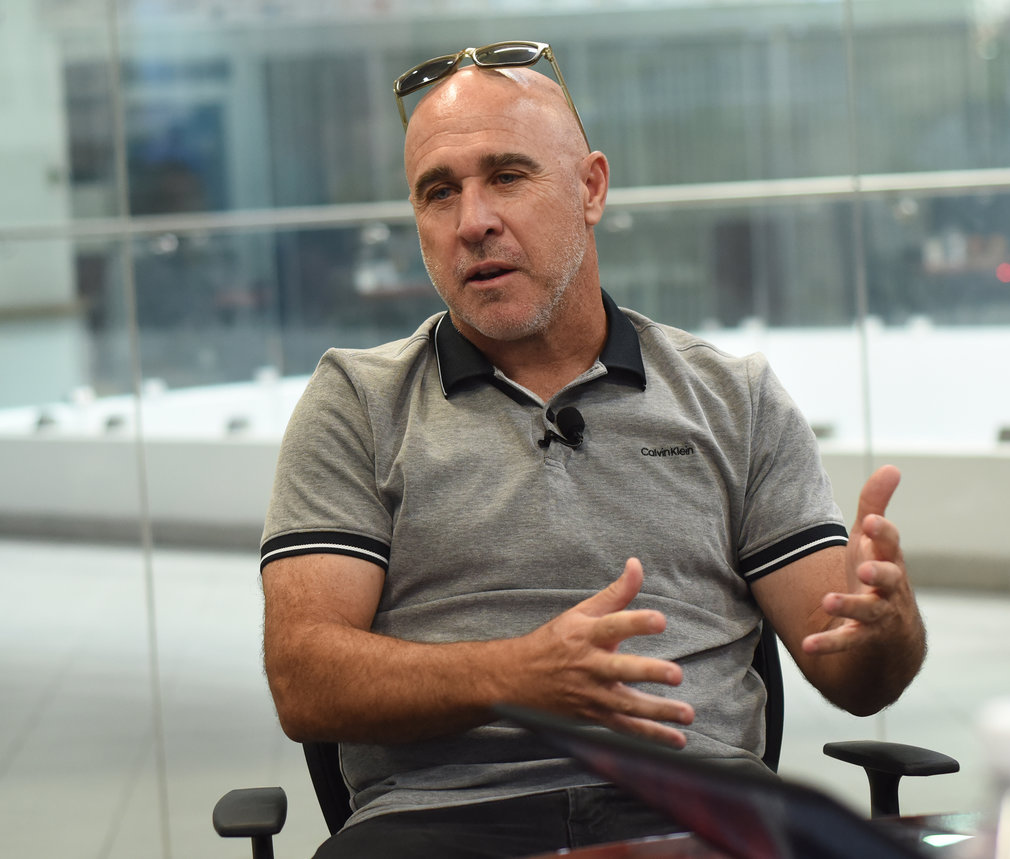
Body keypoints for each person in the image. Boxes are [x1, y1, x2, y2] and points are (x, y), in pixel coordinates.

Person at [259, 41, 926, 859]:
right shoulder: (357, 402)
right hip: (441, 822)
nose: (473, 221)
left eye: (507, 176)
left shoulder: (732, 396)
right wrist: (517, 674)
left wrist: (889, 627)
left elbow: (855, 675)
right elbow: (303, 677)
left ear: (591, 188)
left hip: (695, 812)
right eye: (440, 191)